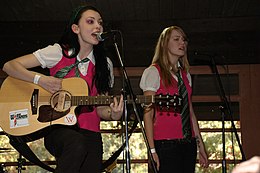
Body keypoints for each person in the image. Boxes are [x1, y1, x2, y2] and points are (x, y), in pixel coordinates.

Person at [3, 5, 123, 173]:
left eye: (100, 23)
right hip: (58, 129)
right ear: (76, 28)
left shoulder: (106, 65)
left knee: (84, 147)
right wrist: (41, 79)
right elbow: (10, 66)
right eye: (90, 21)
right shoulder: (58, 52)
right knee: (76, 143)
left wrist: (114, 114)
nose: (98, 27)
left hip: (91, 133)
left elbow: (101, 108)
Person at [139, 26, 209, 172]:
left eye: (184, 40)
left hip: (188, 144)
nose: (182, 43)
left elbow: (190, 112)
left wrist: (200, 145)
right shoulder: (153, 72)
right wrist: (152, 150)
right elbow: (148, 113)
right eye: (176, 39)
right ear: (164, 44)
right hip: (165, 145)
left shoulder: (186, 75)